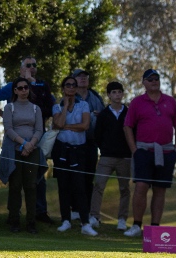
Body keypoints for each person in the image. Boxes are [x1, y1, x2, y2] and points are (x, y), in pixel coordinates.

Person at [0, 56, 55, 223]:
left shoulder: (42, 87)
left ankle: (38, 213)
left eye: (34, 65)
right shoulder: (12, 86)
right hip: (14, 143)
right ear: (21, 69)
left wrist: (31, 143)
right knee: (15, 182)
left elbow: (50, 107)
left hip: (36, 140)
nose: (31, 67)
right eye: (28, 65)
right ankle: (14, 217)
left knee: (36, 180)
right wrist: (4, 116)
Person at [123, 69, 176, 237]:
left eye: (156, 78)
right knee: (141, 186)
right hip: (143, 150)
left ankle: (155, 228)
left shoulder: (170, 101)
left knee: (160, 189)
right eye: (150, 79)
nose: (154, 81)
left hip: (166, 151)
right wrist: (134, 150)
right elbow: (127, 126)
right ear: (144, 82)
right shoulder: (137, 102)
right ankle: (136, 225)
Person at [53, 76, 97, 236]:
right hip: (61, 150)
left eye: (73, 85)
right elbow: (57, 124)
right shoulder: (57, 106)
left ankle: (85, 223)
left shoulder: (83, 104)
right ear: (63, 88)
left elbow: (85, 125)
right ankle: (65, 220)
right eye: (68, 85)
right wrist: (65, 107)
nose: (71, 87)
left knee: (80, 186)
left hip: (79, 151)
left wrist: (66, 126)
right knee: (63, 186)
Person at [3, 77, 43, 234]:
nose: (24, 90)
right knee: (15, 186)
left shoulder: (36, 108)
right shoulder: (9, 107)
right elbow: (8, 128)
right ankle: (14, 220)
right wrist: (23, 143)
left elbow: (39, 130)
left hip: (32, 151)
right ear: (15, 90)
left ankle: (31, 222)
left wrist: (30, 144)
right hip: (14, 150)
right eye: (20, 88)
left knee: (31, 186)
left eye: (26, 87)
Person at [89, 81, 131, 231]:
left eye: (119, 92)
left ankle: (122, 220)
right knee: (99, 185)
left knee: (124, 189)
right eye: (114, 92)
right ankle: (94, 216)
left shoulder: (129, 113)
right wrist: (105, 149)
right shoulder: (104, 114)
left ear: (122, 94)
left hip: (125, 157)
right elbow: (98, 136)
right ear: (109, 95)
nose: (117, 95)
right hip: (106, 157)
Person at [72, 68, 105, 219]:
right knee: (75, 177)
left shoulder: (96, 97)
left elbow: (104, 118)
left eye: (85, 76)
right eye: (79, 77)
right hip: (74, 143)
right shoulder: (70, 96)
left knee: (88, 177)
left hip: (92, 143)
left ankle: (88, 211)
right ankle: (74, 210)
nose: (83, 78)